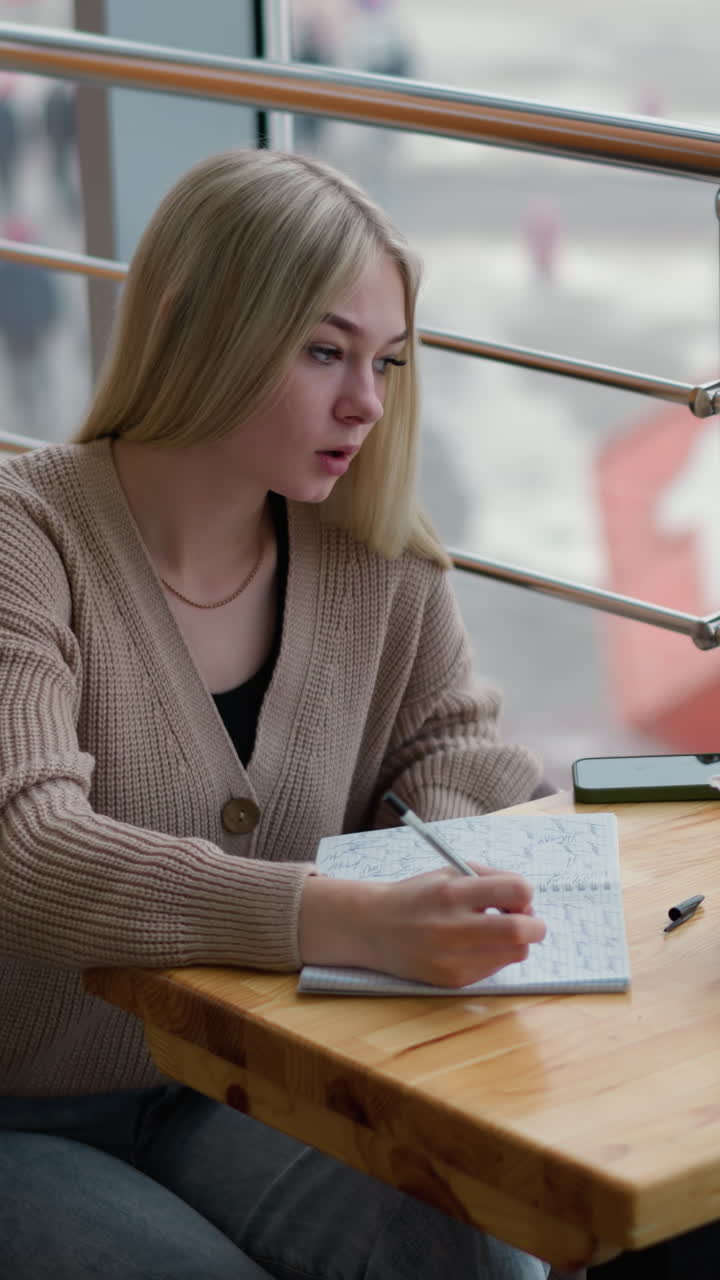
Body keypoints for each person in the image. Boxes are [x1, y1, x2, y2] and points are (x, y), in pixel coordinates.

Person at [0, 147, 550, 1280]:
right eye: (323, 350)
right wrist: (343, 914)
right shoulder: (27, 536)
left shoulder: (370, 549)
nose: (366, 401)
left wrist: (424, 867)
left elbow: (460, 747)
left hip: (251, 1078)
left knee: (470, 1246)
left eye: (388, 359)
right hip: (23, 1113)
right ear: (197, 325)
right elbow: (29, 851)